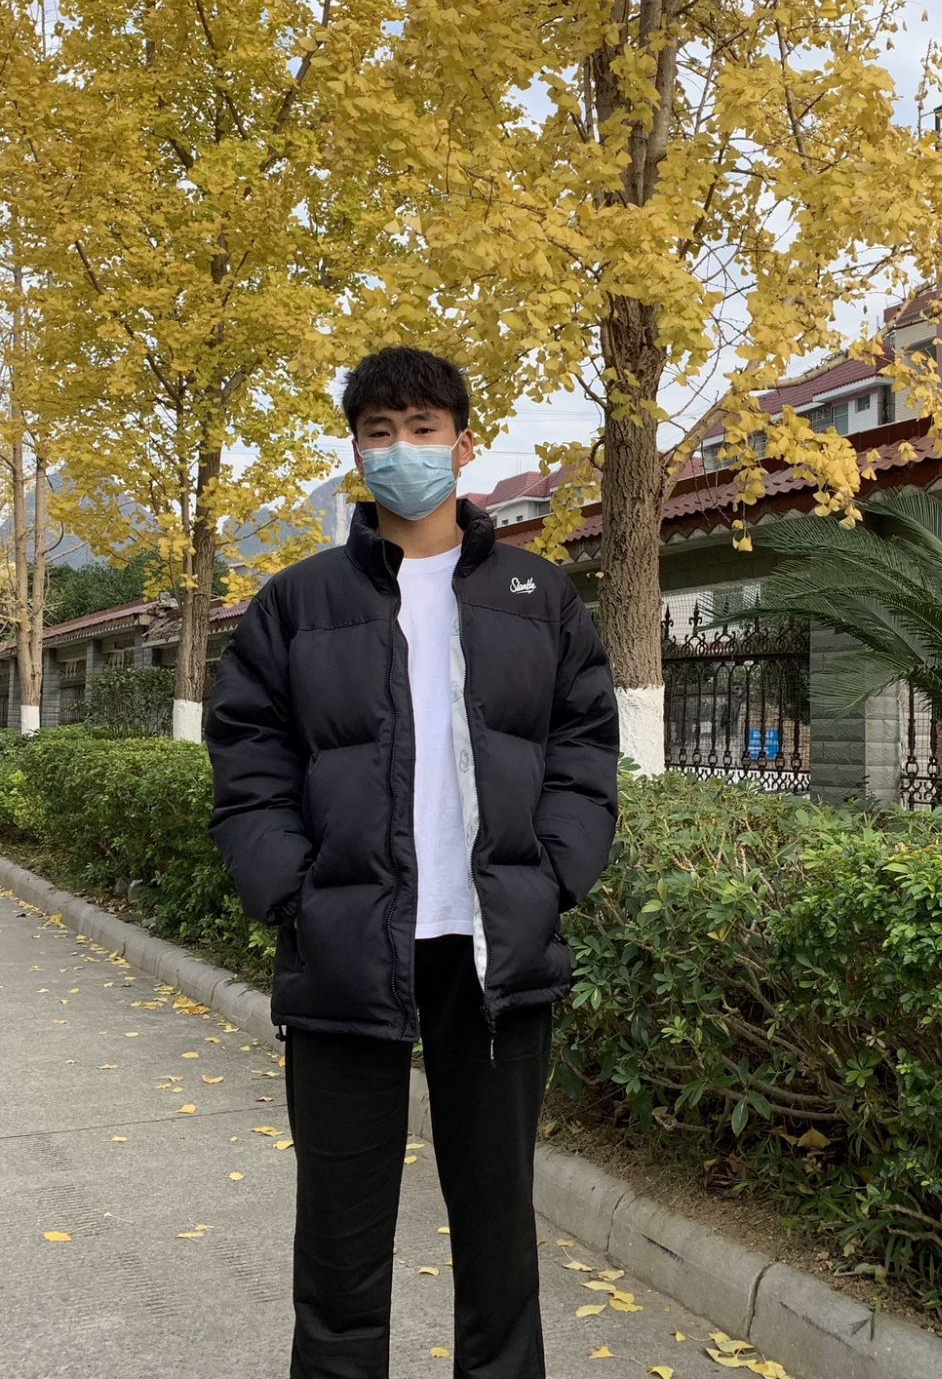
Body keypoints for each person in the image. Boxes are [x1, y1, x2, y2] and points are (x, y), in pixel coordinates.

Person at [204, 345, 620, 1379]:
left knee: (499, 1231)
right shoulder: (297, 602)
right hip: (348, 945)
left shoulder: (537, 594)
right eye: (379, 432)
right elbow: (249, 760)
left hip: (492, 952)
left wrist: (552, 877)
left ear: (463, 443)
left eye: (422, 428)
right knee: (339, 1244)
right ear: (357, 450)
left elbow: (584, 749)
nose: (402, 449)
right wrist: (294, 893)